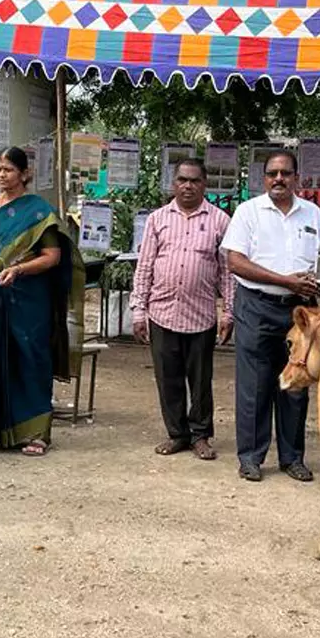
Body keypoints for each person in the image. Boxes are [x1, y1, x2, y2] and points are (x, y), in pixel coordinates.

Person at [0, 145, 83, 455]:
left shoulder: (39, 212)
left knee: (30, 359)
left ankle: (36, 434)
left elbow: (52, 257)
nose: (2, 175)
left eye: (9, 170)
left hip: (29, 299)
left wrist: (18, 269)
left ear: (24, 174)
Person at [222, 150, 320, 483]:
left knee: (295, 383)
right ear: (264, 178)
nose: (279, 179)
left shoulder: (311, 214)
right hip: (256, 306)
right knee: (254, 386)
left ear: (296, 177)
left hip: (298, 312)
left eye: (286, 173)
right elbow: (235, 262)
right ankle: (252, 457)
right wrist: (286, 280)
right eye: (273, 173)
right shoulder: (248, 212)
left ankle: (292, 457)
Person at [130, 157, 234, 461]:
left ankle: (201, 435)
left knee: (200, 381)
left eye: (195, 181)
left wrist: (229, 312)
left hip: (201, 315)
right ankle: (177, 434)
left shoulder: (219, 221)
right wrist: (139, 310)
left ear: (205, 184)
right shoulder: (157, 219)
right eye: (182, 180)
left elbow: (227, 272)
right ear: (173, 184)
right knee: (168, 378)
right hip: (162, 313)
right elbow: (145, 266)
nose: (188, 186)